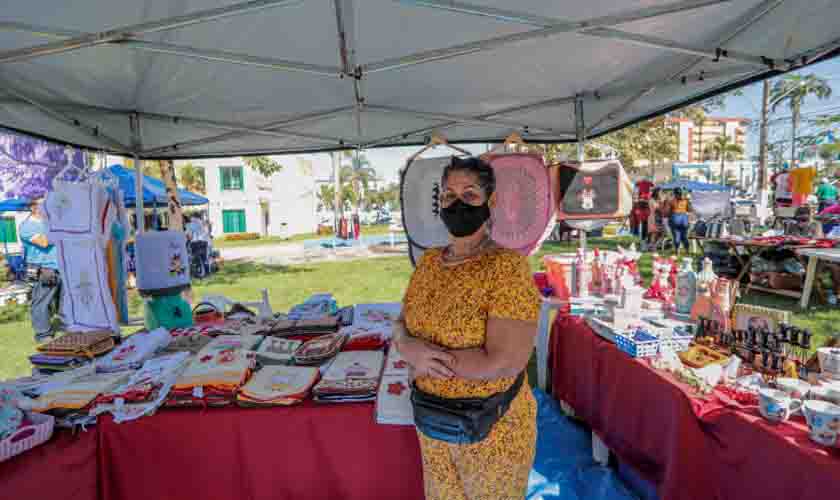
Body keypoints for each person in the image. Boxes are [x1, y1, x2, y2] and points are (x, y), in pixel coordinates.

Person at [393, 156, 539, 500]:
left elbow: (503, 361)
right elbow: (401, 321)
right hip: (432, 424)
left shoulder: (507, 267)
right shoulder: (429, 262)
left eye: (470, 195)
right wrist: (406, 346)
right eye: (448, 196)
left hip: (492, 430)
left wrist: (428, 360)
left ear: (491, 202)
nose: (457, 204)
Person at [19, 197, 61, 342]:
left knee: (63, 300)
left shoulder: (49, 223)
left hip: (59, 266)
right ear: (33, 207)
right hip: (43, 268)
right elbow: (43, 242)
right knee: (42, 302)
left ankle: (65, 326)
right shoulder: (26, 227)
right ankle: (43, 334)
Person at [667, 188, 692, 255]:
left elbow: (668, 212)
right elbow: (689, 210)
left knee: (676, 236)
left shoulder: (672, 201)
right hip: (684, 220)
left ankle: (677, 251)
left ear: (675, 194)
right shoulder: (686, 201)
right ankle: (687, 251)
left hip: (675, 220)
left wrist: (669, 221)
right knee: (684, 237)